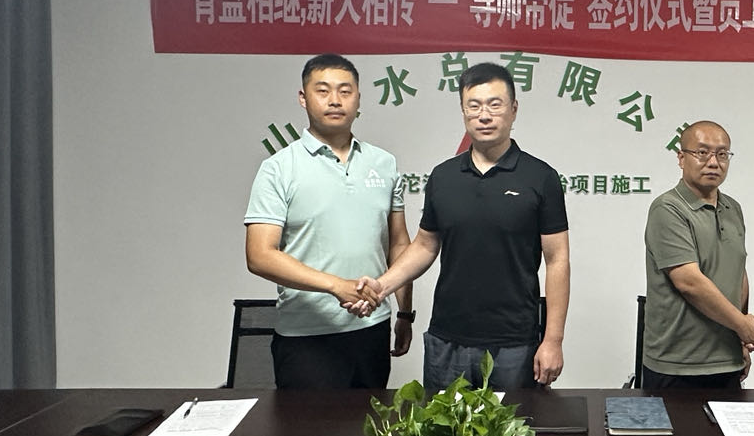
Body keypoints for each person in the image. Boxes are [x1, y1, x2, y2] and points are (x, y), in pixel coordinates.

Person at [356, 62, 569, 390]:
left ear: (513, 109)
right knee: (442, 424)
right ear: (463, 111)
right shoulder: (443, 177)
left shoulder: (540, 178)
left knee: (514, 425)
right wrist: (381, 286)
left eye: (495, 105)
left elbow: (557, 260)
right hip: (447, 339)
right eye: (474, 106)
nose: (484, 115)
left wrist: (553, 340)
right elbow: (425, 245)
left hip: (513, 343)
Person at [243, 54, 414, 389]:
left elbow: (399, 244)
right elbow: (259, 255)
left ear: (359, 98)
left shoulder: (384, 162)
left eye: (345, 91)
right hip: (306, 336)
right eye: (323, 91)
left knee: (370, 423)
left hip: (372, 328)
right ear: (303, 98)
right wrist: (336, 285)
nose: (335, 100)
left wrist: (405, 313)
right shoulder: (279, 168)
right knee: (308, 425)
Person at [640, 120, 754, 390]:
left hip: (727, 360)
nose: (713, 162)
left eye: (722, 154)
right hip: (677, 364)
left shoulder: (733, 208)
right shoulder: (668, 208)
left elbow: (738, 272)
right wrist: (743, 325)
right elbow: (689, 282)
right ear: (681, 158)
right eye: (702, 152)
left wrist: (741, 340)